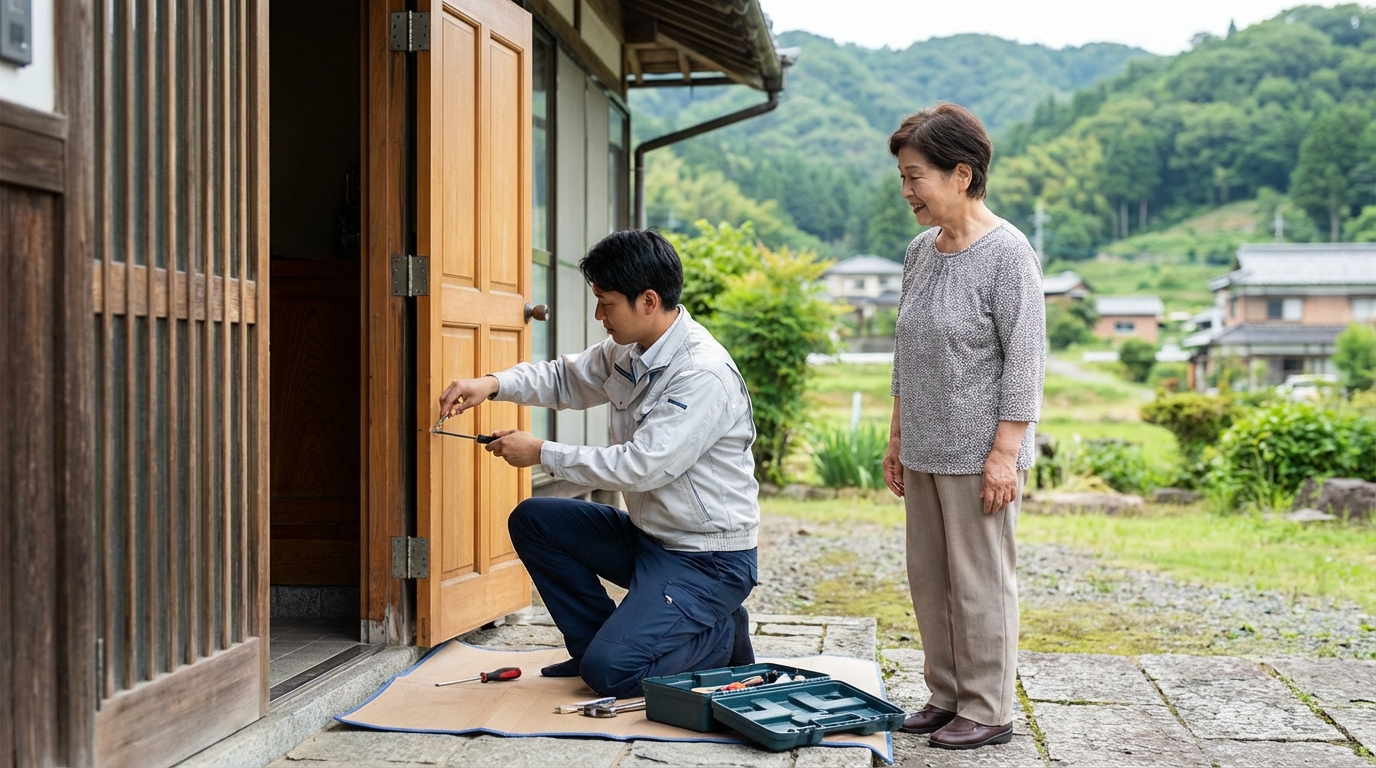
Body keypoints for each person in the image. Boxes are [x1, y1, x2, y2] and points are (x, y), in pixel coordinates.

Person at [437, 229, 759, 699]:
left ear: (648, 301)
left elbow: (642, 466)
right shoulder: (631, 350)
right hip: (653, 542)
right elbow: (565, 378)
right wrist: (491, 384)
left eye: (606, 303)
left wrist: (542, 453)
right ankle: (595, 645)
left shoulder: (701, 373)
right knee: (535, 519)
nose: (598, 315)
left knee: (611, 677)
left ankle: (720, 633)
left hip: (708, 562)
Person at [881, 103, 1045, 750]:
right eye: (902, 177)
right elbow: (907, 351)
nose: (907, 192)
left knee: (980, 584)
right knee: (930, 580)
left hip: (979, 454)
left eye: (915, 176)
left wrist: (1005, 453)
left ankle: (988, 706)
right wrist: (896, 439)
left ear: (961, 174)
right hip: (923, 446)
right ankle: (947, 693)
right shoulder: (921, 251)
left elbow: (1026, 360)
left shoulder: (1007, 254)